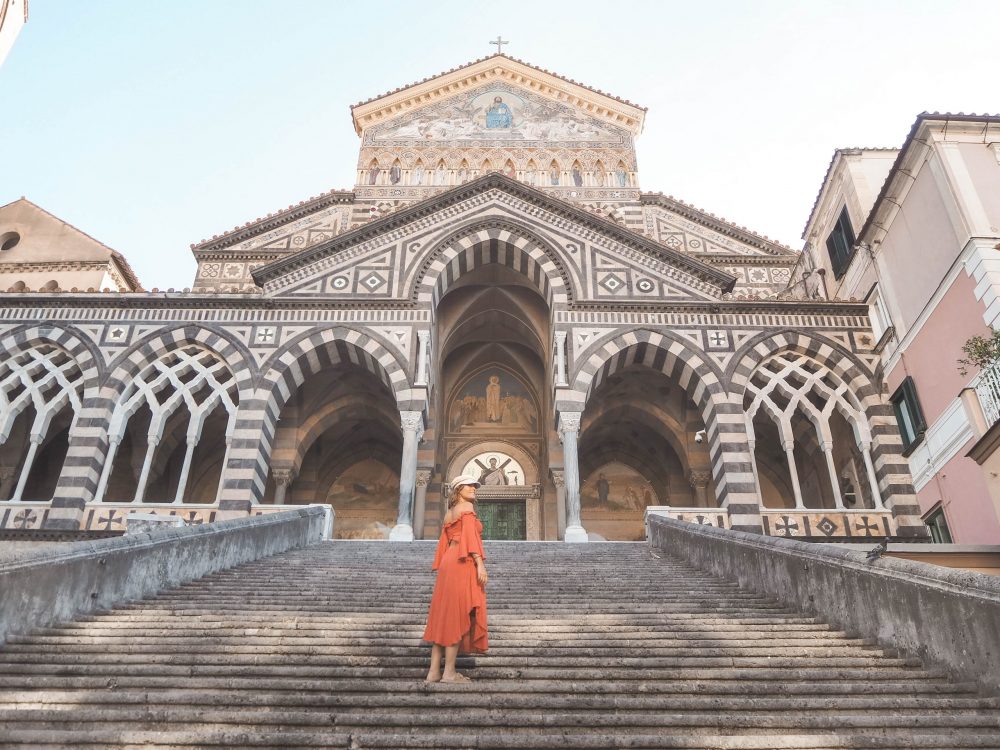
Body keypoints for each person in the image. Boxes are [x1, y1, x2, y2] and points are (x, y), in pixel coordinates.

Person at [423, 475, 489, 683]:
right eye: (468, 485)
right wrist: (480, 563)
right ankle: (449, 673)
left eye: (474, 486)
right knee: (457, 614)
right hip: (462, 561)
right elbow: (471, 537)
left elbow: (444, 542)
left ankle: (434, 671)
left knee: (444, 615)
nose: (473, 488)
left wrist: (442, 565)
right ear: (458, 489)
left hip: (448, 562)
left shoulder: (449, 513)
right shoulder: (467, 510)